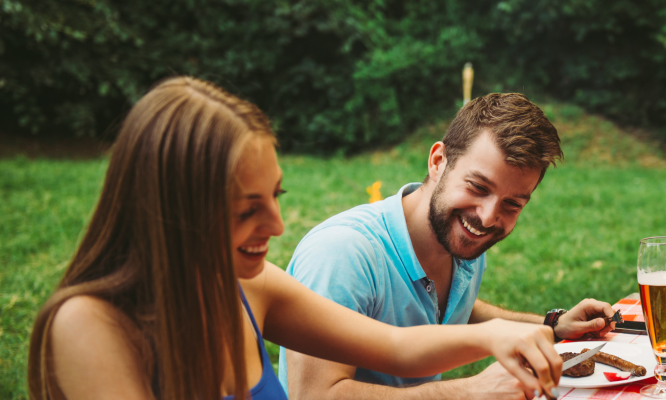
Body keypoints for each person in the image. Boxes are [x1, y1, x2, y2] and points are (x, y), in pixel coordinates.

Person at [27, 78, 564, 400]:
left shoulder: (251, 285)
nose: (277, 227)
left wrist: (505, 337)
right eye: (247, 209)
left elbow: (398, 347)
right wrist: (472, 391)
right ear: (170, 207)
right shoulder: (90, 324)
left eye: (275, 198)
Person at [280, 93, 617, 400]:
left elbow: (455, 308)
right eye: (478, 186)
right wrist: (469, 393)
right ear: (438, 161)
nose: (487, 217)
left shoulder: (461, 243)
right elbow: (312, 394)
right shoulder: (343, 253)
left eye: (512, 204)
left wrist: (549, 325)